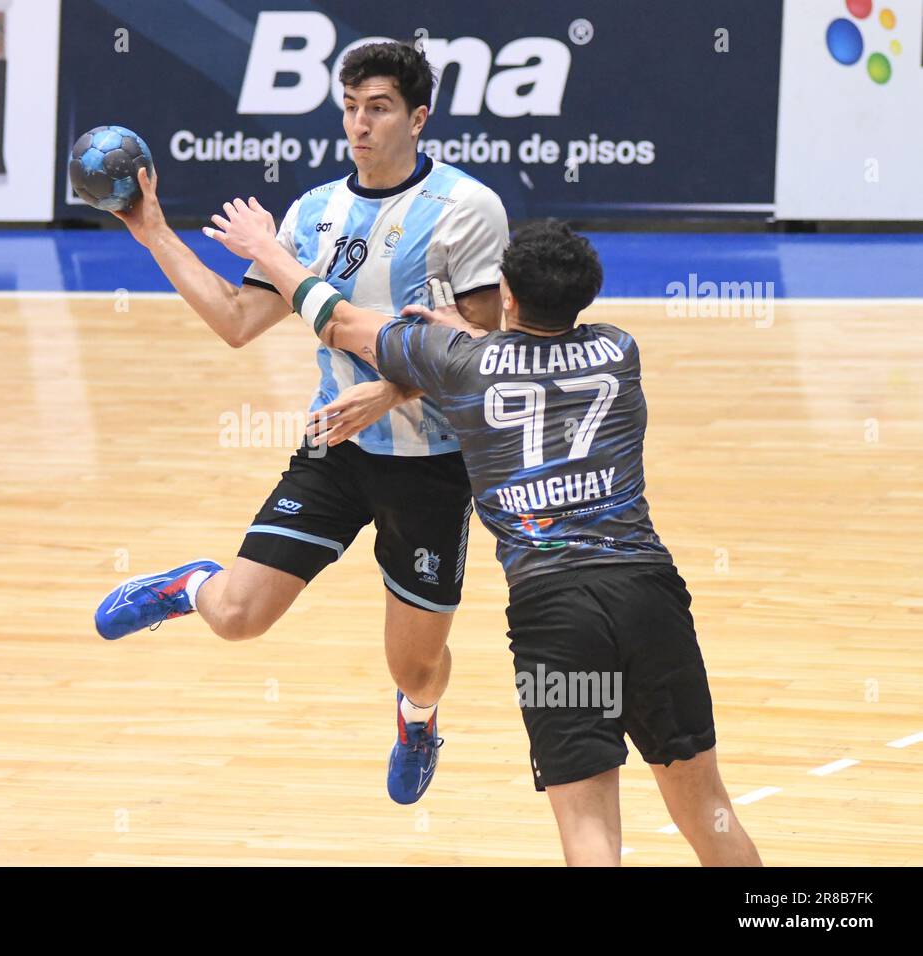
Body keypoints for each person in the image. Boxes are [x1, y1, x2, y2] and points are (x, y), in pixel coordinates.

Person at [205, 204, 762, 866]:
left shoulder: (461, 362)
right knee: (707, 807)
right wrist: (460, 332)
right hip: (649, 596)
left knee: (589, 830)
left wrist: (267, 249)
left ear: (507, 294)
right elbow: (531, 352)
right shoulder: (619, 350)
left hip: (556, 615)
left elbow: (341, 321)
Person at [93, 41, 509, 804]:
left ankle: (418, 719)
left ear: (418, 117)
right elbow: (235, 319)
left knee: (414, 667)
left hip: (434, 463)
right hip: (336, 449)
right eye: (350, 107)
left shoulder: (466, 210)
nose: (359, 124)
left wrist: (391, 391)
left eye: (378, 108)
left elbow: (480, 347)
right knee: (238, 619)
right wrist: (152, 230)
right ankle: (189, 584)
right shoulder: (314, 213)